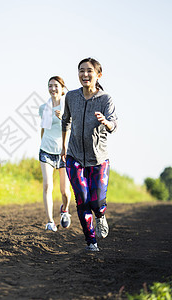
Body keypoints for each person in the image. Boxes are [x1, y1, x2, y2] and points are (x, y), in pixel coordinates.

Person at [61, 58, 117, 251]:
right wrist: (63, 147)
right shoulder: (71, 96)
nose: (85, 74)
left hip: (99, 159)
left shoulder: (105, 99)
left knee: (97, 201)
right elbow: (66, 121)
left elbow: (114, 124)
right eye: (81, 71)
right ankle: (91, 241)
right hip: (74, 156)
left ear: (98, 75)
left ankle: (101, 216)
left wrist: (105, 122)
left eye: (89, 71)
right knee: (82, 199)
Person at [39, 76, 72, 232]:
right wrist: (42, 144)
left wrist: (64, 118)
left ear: (62, 88)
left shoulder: (69, 106)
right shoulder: (43, 108)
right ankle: (50, 221)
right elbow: (43, 129)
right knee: (47, 186)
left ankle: (64, 210)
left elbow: (74, 128)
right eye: (50, 86)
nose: (52, 89)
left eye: (56, 86)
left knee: (65, 191)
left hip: (63, 152)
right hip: (46, 151)